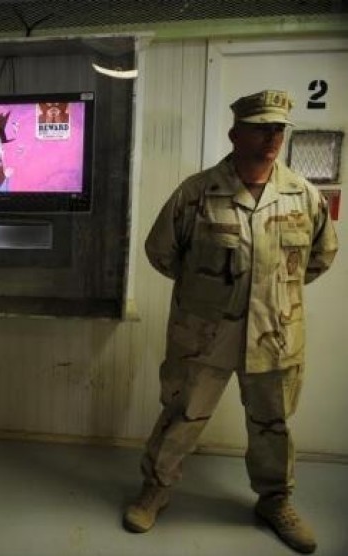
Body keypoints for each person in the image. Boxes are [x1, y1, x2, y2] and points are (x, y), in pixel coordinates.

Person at [123, 90, 338, 554]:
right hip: (204, 335)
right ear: (235, 132)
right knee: (183, 416)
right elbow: (161, 252)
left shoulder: (303, 196)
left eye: (279, 128)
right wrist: (208, 294)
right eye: (262, 127)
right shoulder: (196, 193)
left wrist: (271, 296)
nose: (272, 137)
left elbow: (321, 257)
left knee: (272, 423)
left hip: (276, 334)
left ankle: (275, 501)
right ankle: (155, 489)